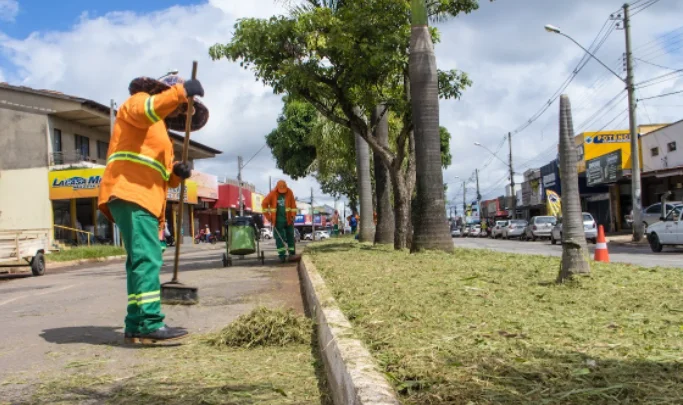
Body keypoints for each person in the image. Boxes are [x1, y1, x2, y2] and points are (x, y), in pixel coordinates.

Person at [98, 70, 208, 344]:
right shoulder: (139, 101)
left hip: (146, 197)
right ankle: (149, 321)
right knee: (147, 259)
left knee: (139, 261)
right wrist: (182, 91)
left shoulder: (162, 133)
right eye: (178, 103)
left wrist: (176, 172)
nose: (178, 108)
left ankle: (136, 322)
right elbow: (148, 110)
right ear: (164, 92)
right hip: (130, 191)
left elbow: (162, 174)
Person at [262, 180, 297, 262]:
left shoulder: (289, 192)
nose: (282, 192)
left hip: (289, 219)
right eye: (280, 190)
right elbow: (264, 204)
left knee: (290, 236)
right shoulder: (273, 193)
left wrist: (293, 215)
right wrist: (268, 216)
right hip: (277, 221)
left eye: (283, 190)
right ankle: (282, 256)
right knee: (279, 238)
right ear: (277, 188)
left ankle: (292, 254)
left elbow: (293, 205)